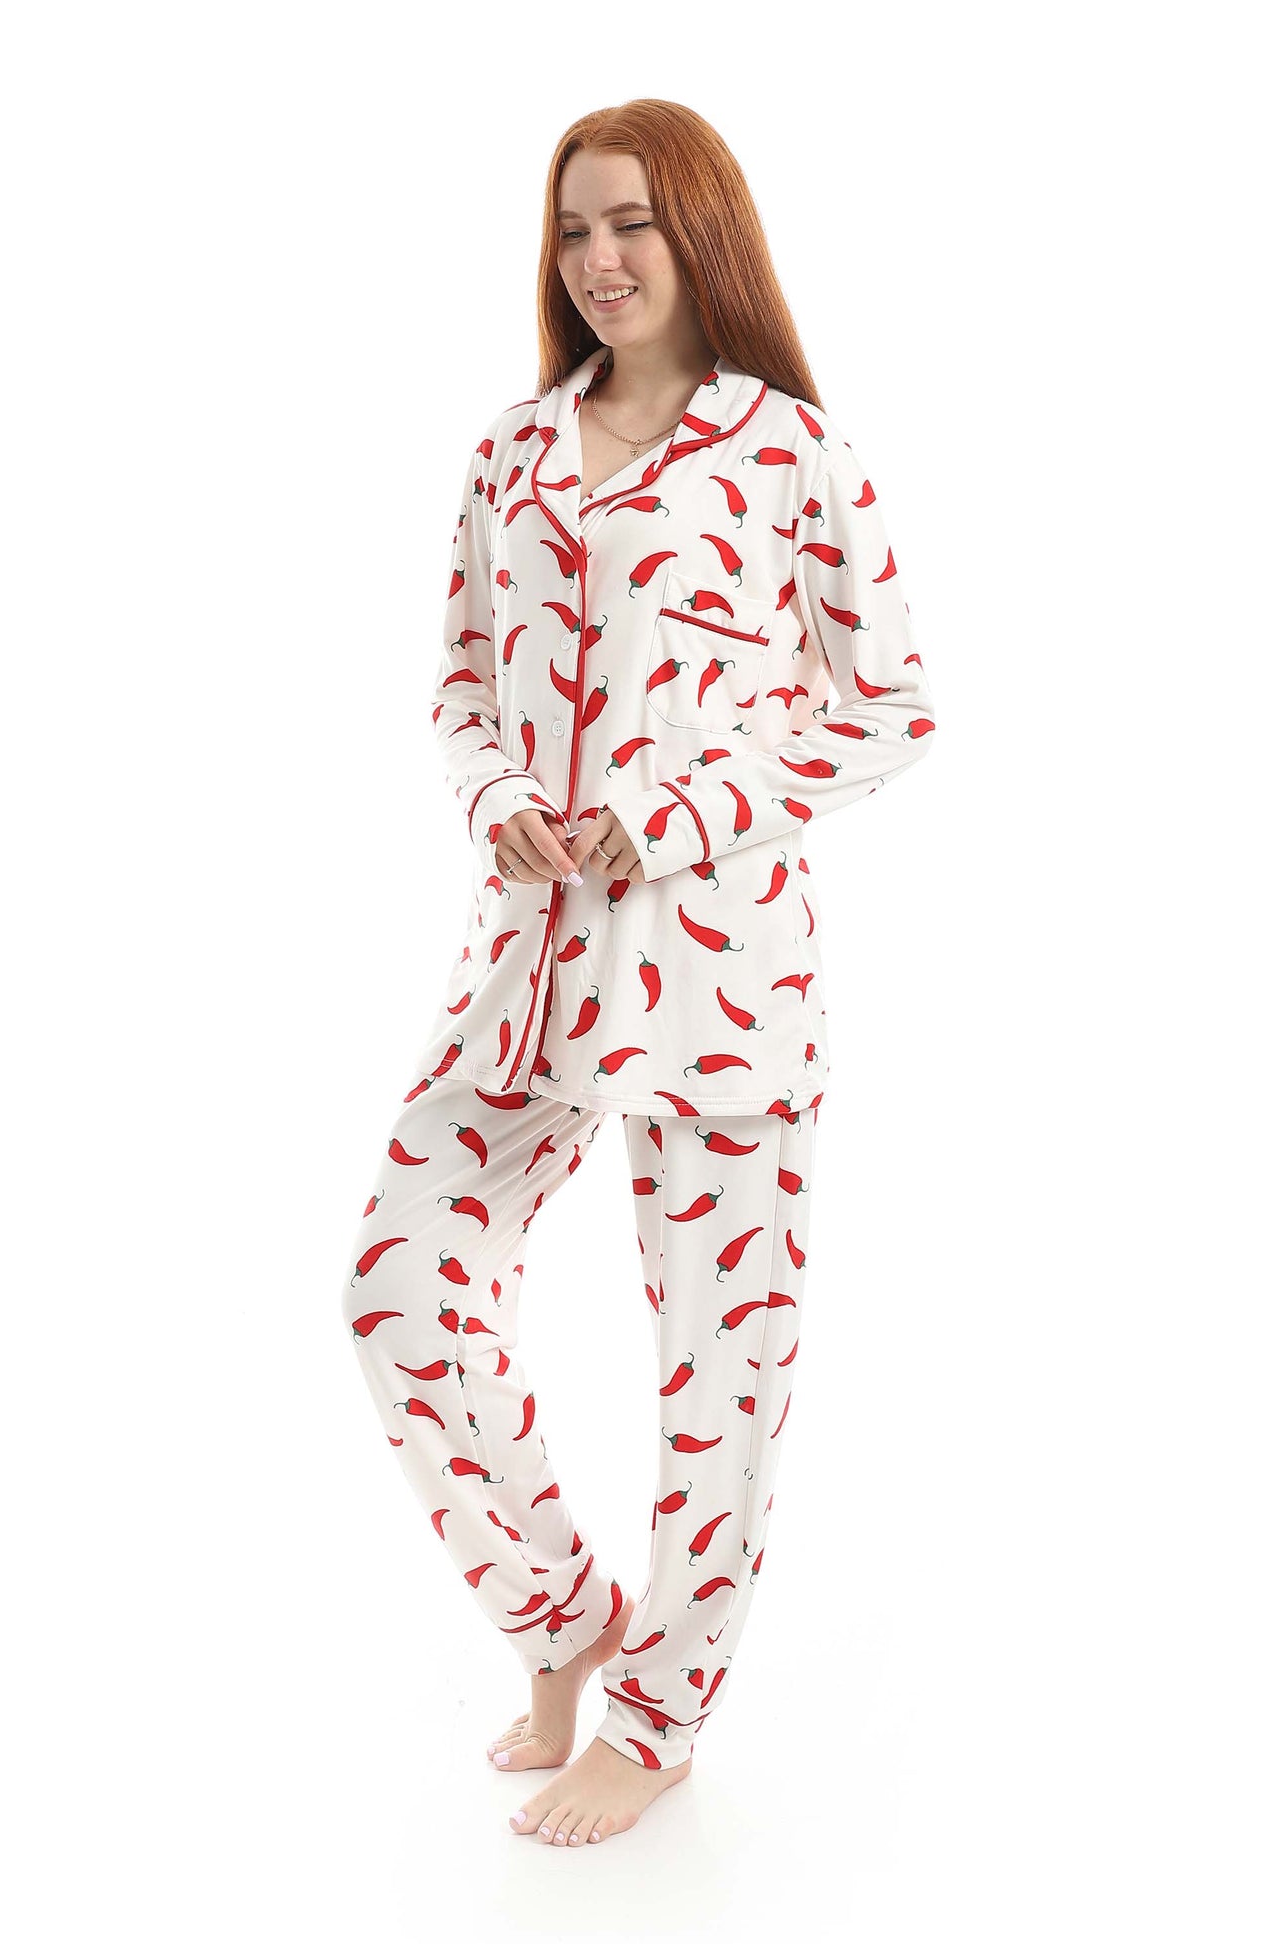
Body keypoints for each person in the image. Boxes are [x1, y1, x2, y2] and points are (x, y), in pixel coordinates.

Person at [341, 98, 939, 1848]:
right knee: (397, 1280)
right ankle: (561, 1615)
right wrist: (500, 797)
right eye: (573, 229)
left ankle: (660, 1716)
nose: (599, 261)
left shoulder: (788, 451)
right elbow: (461, 685)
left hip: (716, 977)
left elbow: (890, 705)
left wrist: (675, 814)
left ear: (699, 234)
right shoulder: (510, 452)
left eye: (632, 226)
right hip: (522, 967)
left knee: (714, 1373)